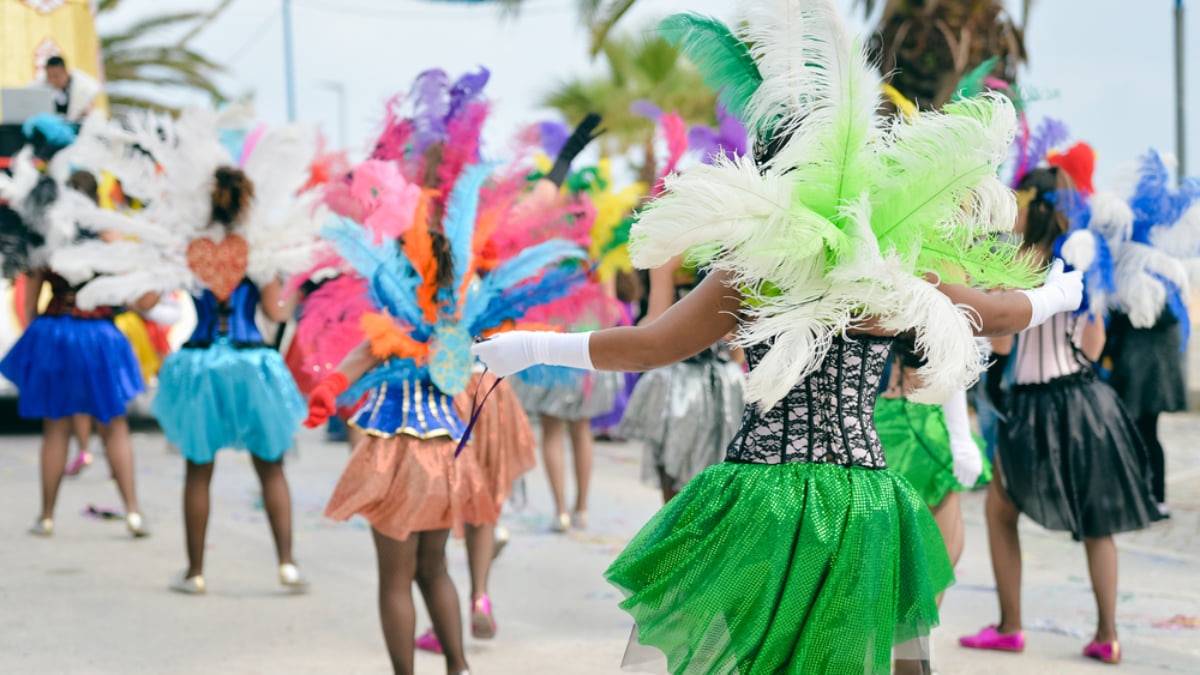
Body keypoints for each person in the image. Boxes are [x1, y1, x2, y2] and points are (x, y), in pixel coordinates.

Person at [960, 167, 1165, 665]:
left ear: (1037, 205)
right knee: (1097, 523)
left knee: (1000, 510)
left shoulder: (1016, 262)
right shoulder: (1086, 262)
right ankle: (1107, 635)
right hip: (1089, 403)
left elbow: (1003, 341)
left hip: (1033, 402)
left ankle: (1010, 626)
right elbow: (1093, 344)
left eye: (1022, 198)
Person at [151, 167, 308, 595]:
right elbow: (276, 313)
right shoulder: (259, 251)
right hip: (251, 362)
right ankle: (287, 565)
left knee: (198, 469)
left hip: (199, 363)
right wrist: (295, 285)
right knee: (271, 467)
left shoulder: (187, 248)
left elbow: (145, 299)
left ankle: (195, 572)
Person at [0, 162, 150, 539]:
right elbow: (134, 290)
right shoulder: (109, 236)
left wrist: (44, 335)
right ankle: (132, 512)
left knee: (56, 428)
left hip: (55, 331)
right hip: (100, 333)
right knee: (114, 426)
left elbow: (30, 306)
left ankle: (46, 516)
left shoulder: (46, 235)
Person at [618, 256, 745, 503]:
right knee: (717, 478)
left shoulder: (669, 256)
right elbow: (737, 350)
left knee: (672, 476)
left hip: (677, 381)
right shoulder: (735, 254)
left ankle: (676, 538)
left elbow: (655, 330)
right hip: (725, 384)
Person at [42, 56, 101, 123]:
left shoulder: (83, 87)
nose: (52, 80)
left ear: (65, 72)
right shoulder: (41, 85)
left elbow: (88, 115)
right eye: (49, 77)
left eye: (56, 76)